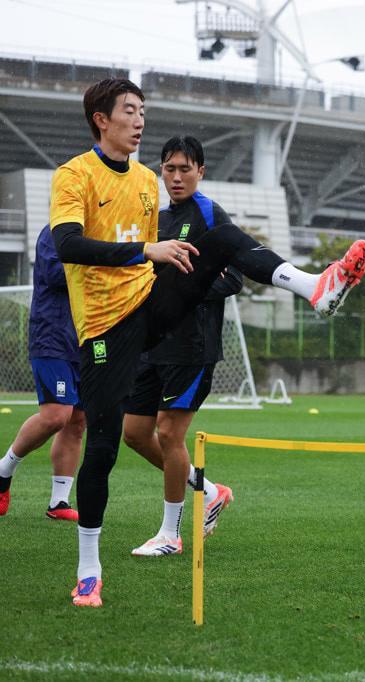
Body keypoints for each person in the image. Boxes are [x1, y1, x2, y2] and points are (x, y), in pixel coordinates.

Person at [53, 78, 365, 607]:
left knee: (221, 240)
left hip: (155, 311)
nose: (139, 120)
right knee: (108, 444)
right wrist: (149, 251)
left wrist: (170, 259)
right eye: (130, 111)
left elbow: (181, 253)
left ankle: (316, 287)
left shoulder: (144, 183)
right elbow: (67, 244)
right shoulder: (74, 175)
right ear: (100, 119)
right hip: (106, 329)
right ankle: (89, 570)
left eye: (142, 111)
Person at [122, 135, 240, 557]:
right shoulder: (156, 219)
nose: (175, 177)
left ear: (201, 172)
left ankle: (170, 535)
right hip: (151, 345)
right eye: (168, 169)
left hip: (192, 347)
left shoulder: (210, 214)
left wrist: (187, 291)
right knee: (134, 434)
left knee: (170, 432)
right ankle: (210, 491)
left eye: (184, 169)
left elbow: (235, 277)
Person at [0, 225, 86, 521]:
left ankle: (59, 502)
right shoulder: (56, 231)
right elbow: (55, 274)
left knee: (77, 421)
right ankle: (3, 469)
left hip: (86, 339)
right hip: (53, 337)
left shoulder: (102, 229)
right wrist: (106, 264)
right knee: (56, 416)